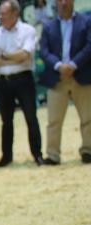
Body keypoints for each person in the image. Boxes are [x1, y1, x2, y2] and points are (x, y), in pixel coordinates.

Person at [0, 0, 45, 167]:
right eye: (0, 14)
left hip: (24, 79)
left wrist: (3, 57)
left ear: (15, 13)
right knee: (6, 121)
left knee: (31, 118)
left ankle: (37, 154)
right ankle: (7, 156)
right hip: (4, 82)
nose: (1, 17)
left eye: (4, 13)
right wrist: (14, 57)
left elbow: (25, 55)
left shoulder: (28, 30)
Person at [39, 0, 91, 165]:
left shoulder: (86, 21)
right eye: (60, 0)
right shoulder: (48, 26)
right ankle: (53, 155)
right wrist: (59, 66)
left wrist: (73, 65)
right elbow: (44, 51)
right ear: (55, 3)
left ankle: (88, 150)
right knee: (54, 120)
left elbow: (90, 46)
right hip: (57, 78)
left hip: (81, 75)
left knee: (88, 118)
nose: (63, 3)